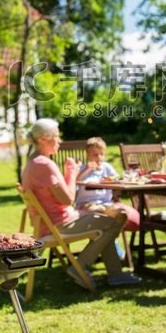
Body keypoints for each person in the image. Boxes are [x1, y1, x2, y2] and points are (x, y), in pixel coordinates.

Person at [21, 119, 141, 288]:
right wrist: (73, 172)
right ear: (42, 139)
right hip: (60, 225)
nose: (59, 141)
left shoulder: (34, 162)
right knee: (112, 223)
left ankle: (115, 273)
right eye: (56, 137)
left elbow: (60, 196)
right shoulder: (44, 164)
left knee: (105, 221)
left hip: (51, 222)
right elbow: (68, 198)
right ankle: (82, 267)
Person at [75, 137, 140, 231]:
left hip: (106, 202)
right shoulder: (83, 168)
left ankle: (114, 230)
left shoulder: (107, 167)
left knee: (116, 212)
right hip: (86, 203)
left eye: (101, 154)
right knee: (99, 211)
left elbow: (116, 178)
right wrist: (87, 169)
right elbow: (75, 181)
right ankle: (110, 236)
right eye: (95, 155)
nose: (99, 157)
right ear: (88, 155)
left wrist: (112, 180)